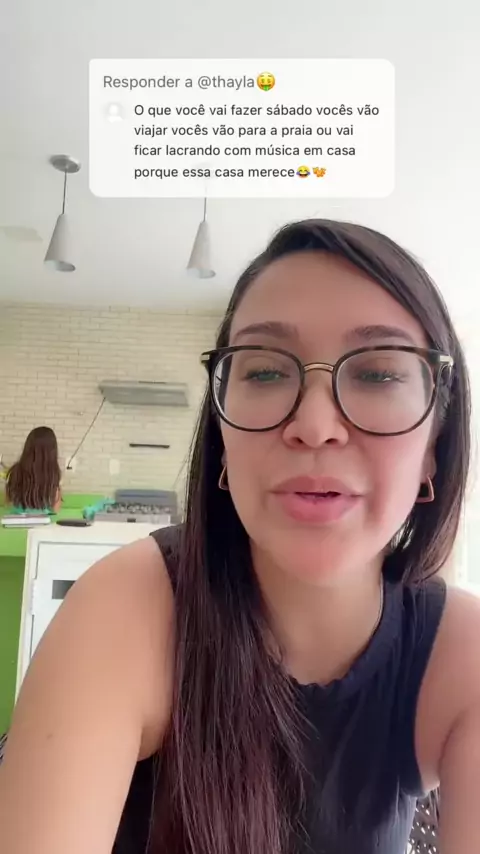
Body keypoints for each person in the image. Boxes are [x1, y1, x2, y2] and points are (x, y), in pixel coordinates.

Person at [0, 219, 479, 854]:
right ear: (222, 442)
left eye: (377, 374)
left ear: (434, 447)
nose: (314, 424)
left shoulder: (461, 655)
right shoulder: (127, 609)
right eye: (265, 372)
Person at [4, 426, 62, 514]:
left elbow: (9, 503)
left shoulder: (14, 471)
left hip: (15, 520)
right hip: (43, 521)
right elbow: (55, 509)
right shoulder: (53, 474)